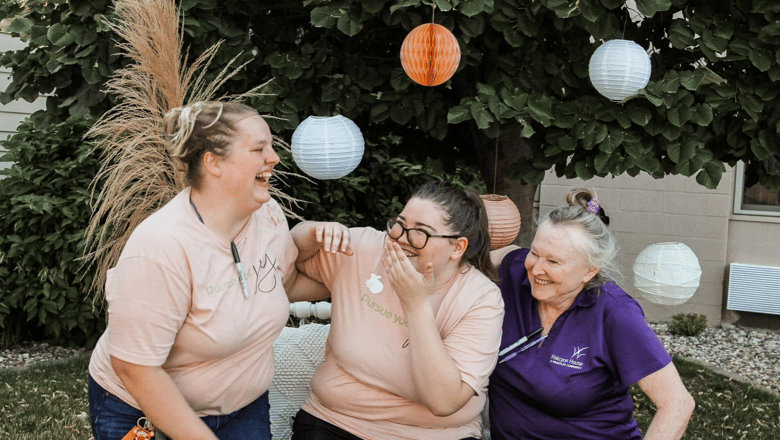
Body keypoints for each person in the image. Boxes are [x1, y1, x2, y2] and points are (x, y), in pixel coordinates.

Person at [88, 102, 324, 440]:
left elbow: (281, 284)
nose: (274, 158)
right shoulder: (161, 247)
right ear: (214, 163)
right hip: (143, 410)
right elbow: (135, 368)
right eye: (259, 149)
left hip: (243, 406)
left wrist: (357, 278)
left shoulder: (268, 214)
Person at [288, 181, 505, 440]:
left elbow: (444, 402)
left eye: (420, 232)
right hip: (337, 421)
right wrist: (307, 231)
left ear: (457, 247)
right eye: (400, 224)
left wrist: (417, 305)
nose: (402, 238)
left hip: (433, 434)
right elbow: (283, 270)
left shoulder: (480, 299)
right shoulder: (364, 250)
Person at [488, 188, 695, 440]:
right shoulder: (518, 271)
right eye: (535, 252)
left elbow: (677, 403)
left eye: (553, 262)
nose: (536, 268)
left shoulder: (614, 313)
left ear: (589, 271)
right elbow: (474, 255)